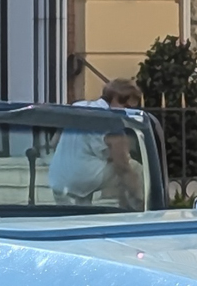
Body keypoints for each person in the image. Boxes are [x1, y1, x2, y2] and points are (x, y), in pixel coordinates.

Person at [48, 78, 145, 209]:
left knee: (80, 205)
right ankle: (134, 208)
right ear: (117, 98)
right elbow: (122, 166)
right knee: (134, 168)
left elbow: (54, 142)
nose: (128, 114)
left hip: (57, 178)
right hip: (82, 178)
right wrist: (137, 193)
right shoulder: (112, 121)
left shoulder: (77, 106)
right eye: (128, 107)